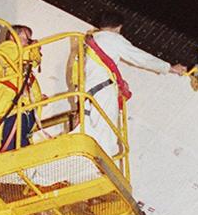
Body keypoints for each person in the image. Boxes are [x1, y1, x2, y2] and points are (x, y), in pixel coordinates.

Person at [80, 10, 187, 153]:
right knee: (106, 131)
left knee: (88, 129)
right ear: (119, 26)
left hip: (85, 92)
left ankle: (86, 159)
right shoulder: (113, 39)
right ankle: (101, 163)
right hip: (103, 91)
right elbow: (140, 58)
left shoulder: (88, 41)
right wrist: (170, 68)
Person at [0, 24, 42, 153]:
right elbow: (22, 56)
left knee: (22, 146)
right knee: (15, 147)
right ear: (13, 38)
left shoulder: (24, 69)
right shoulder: (5, 49)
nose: (29, 42)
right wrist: (33, 49)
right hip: (12, 111)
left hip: (25, 112)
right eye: (26, 39)